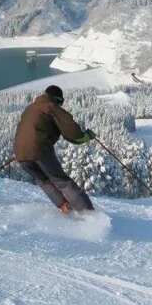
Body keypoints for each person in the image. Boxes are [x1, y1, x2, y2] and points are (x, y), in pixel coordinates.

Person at [13, 85, 96, 214]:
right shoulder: (51, 107)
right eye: (61, 102)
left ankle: (64, 207)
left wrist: (23, 149)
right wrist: (86, 136)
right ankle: (89, 215)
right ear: (57, 99)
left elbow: (26, 130)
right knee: (62, 181)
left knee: (43, 180)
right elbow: (72, 133)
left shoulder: (30, 108)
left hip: (20, 152)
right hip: (39, 149)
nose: (61, 105)